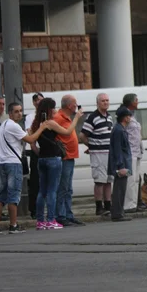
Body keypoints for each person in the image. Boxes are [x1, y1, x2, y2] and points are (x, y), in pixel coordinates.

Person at [31, 98, 83, 230]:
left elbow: (32, 142)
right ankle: (51, 219)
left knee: (42, 191)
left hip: (42, 158)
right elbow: (66, 132)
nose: (55, 110)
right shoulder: (49, 123)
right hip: (53, 158)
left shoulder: (36, 123)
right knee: (52, 190)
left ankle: (40, 220)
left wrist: (38, 152)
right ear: (49, 110)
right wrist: (77, 118)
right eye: (53, 108)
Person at [0, 103, 47, 234]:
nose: (19, 114)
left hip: (2, 162)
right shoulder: (13, 126)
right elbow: (31, 139)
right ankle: (13, 225)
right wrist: (41, 128)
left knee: (1, 196)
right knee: (13, 195)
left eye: (20, 111)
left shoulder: (3, 125)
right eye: (16, 111)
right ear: (10, 113)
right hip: (13, 163)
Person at [54, 95, 86, 226]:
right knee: (63, 187)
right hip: (64, 157)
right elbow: (63, 133)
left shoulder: (66, 118)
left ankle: (68, 214)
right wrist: (77, 117)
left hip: (70, 156)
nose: (76, 105)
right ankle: (61, 215)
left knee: (68, 188)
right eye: (75, 104)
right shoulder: (58, 117)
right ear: (69, 105)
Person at [80, 93, 113, 216]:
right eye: (103, 100)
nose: (105, 102)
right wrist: (91, 146)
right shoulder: (92, 117)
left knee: (109, 180)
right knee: (100, 181)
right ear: (98, 103)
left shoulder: (109, 117)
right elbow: (82, 135)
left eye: (107, 100)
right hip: (98, 153)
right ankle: (99, 206)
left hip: (109, 153)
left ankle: (108, 205)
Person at [108, 106, 134, 222]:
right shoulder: (118, 130)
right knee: (119, 189)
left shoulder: (120, 129)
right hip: (121, 164)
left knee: (121, 188)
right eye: (128, 116)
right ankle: (117, 213)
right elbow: (118, 149)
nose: (130, 118)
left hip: (123, 163)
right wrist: (121, 166)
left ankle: (120, 212)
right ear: (125, 118)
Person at [121, 93, 145, 212]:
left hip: (137, 151)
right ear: (131, 102)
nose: (137, 102)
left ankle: (135, 203)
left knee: (136, 179)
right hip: (130, 151)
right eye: (136, 100)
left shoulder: (133, 115)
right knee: (130, 179)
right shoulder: (125, 115)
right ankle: (128, 205)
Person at [25, 92, 44, 220]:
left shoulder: (48, 115)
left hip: (47, 150)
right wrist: (35, 149)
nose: (39, 102)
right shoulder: (30, 117)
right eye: (37, 100)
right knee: (35, 181)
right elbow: (30, 134)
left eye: (41, 100)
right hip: (36, 150)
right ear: (33, 103)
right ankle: (34, 209)